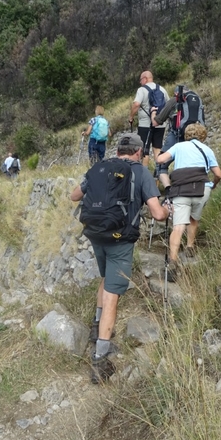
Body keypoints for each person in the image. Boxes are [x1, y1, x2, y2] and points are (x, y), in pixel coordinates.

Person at [70, 133, 170, 384]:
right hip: (120, 240)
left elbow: (74, 196)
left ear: (118, 152)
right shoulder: (141, 173)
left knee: (105, 279)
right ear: (138, 152)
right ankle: (100, 357)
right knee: (113, 294)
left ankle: (96, 325)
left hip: (96, 234)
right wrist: (168, 209)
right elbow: (158, 214)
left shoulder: (99, 168)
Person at [156, 123, 221, 282]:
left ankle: (172, 261)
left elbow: (160, 159)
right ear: (203, 135)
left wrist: (159, 148)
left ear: (186, 134)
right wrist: (213, 185)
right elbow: (218, 174)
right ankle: (190, 247)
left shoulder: (179, 146)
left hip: (181, 189)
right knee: (194, 219)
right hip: (202, 189)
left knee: (178, 226)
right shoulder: (207, 150)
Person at [151, 84, 205, 191]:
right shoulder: (197, 101)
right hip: (194, 138)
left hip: (176, 136)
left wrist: (153, 112)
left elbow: (156, 122)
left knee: (161, 164)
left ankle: (168, 190)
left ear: (177, 93)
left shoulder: (174, 101)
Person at [128, 71, 169, 168]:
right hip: (160, 124)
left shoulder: (141, 90)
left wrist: (131, 116)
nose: (140, 82)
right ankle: (159, 173)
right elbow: (168, 105)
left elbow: (136, 104)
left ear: (145, 78)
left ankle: (144, 174)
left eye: (141, 80)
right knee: (157, 148)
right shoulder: (162, 89)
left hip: (145, 125)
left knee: (144, 149)